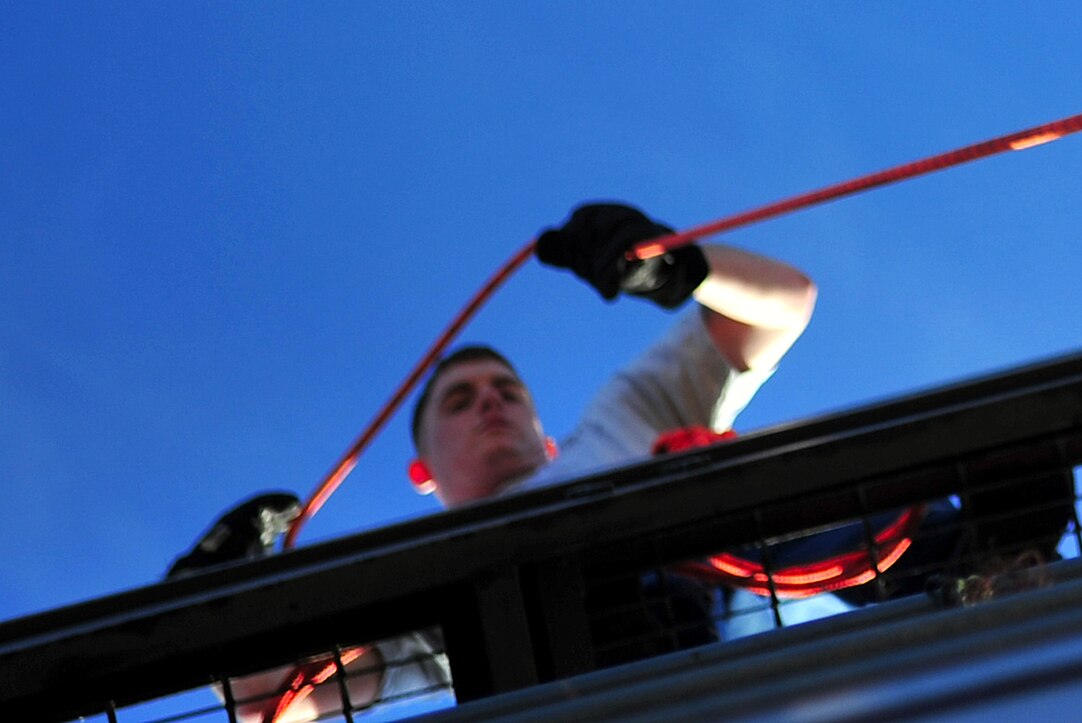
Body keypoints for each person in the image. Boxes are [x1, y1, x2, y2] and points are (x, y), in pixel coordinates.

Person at [168, 202, 816, 721]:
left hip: (723, 662)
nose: (489, 404)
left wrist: (685, 266)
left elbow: (786, 301)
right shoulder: (419, 582)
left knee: (854, 518)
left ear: (548, 437)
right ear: (422, 471)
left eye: (507, 391)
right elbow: (273, 701)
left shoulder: (624, 423)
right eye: (460, 400)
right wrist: (214, 614)